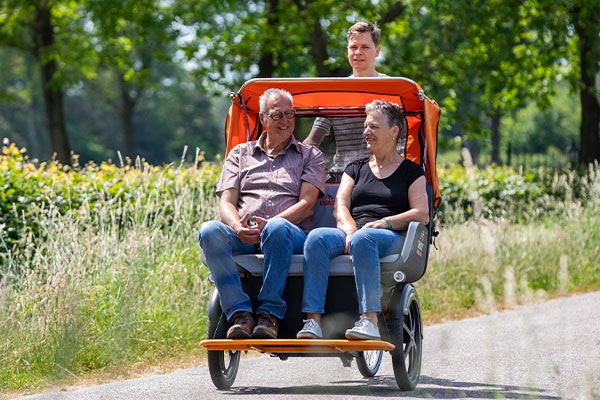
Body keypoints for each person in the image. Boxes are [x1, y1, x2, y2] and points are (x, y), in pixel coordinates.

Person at [297, 99, 429, 340]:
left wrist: (386, 222)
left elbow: (421, 213)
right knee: (316, 238)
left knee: (365, 239)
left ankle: (369, 319)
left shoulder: (411, 171)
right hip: (355, 231)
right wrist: (349, 230)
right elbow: (341, 204)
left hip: (391, 234)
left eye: (374, 127)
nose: (366, 132)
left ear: (394, 131)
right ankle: (312, 321)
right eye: (365, 126)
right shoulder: (355, 168)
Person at [199, 88, 325, 339]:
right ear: (263, 119)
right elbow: (226, 202)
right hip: (245, 233)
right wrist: (237, 227)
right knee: (209, 231)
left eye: (291, 115)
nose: (286, 121)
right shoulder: (239, 154)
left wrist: (273, 221)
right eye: (278, 115)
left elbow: (307, 204)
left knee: (276, 228)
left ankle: (269, 314)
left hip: (290, 235)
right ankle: (239, 313)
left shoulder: (310, 155)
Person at [304, 21, 388, 174]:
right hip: (343, 173)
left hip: (382, 173)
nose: (358, 52)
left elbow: (406, 140)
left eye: (365, 47)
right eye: (353, 47)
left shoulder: (392, 89)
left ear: (377, 51)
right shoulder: (336, 93)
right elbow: (312, 141)